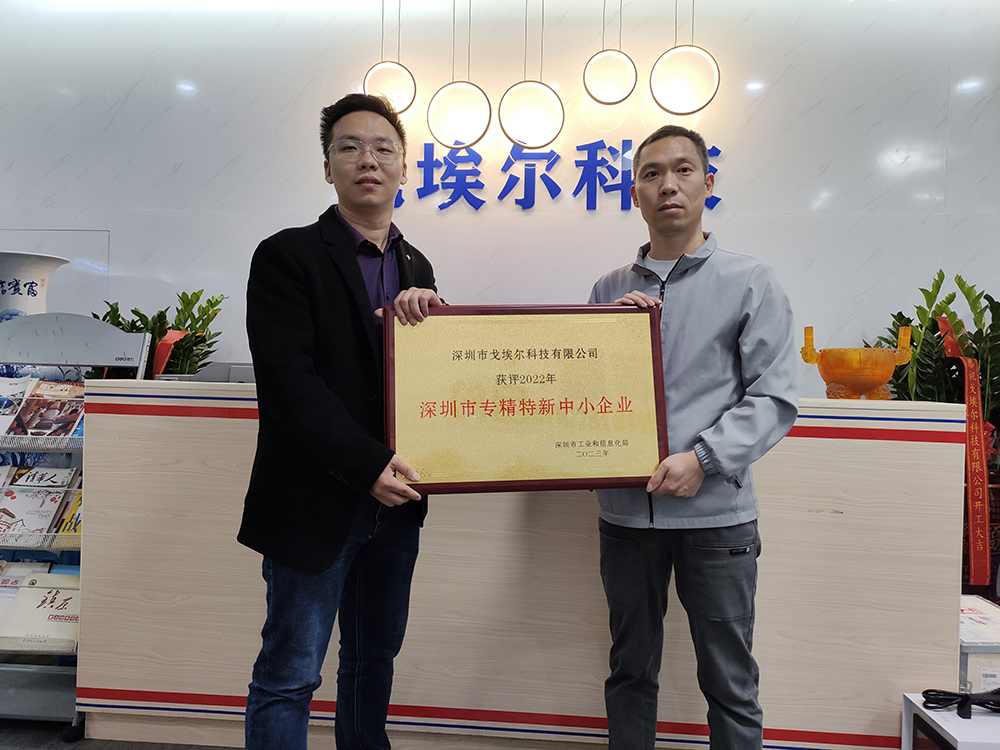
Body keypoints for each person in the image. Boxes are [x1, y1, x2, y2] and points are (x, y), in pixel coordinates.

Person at [239, 93, 443, 750]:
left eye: (384, 148)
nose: (368, 160)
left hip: (397, 506)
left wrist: (441, 321)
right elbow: (290, 385)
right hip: (315, 501)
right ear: (328, 167)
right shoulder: (286, 256)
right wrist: (366, 464)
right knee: (290, 673)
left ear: (405, 167)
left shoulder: (416, 267)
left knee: (371, 661)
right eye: (350, 147)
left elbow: (427, 383)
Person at [588, 125, 798, 750]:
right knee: (629, 673)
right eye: (651, 174)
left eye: (682, 170)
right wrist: (609, 343)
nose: (668, 185)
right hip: (626, 516)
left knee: (729, 682)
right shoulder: (607, 290)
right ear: (635, 193)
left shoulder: (750, 280)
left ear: (707, 184)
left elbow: (774, 396)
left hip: (717, 519)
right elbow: (587, 397)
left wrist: (703, 459)